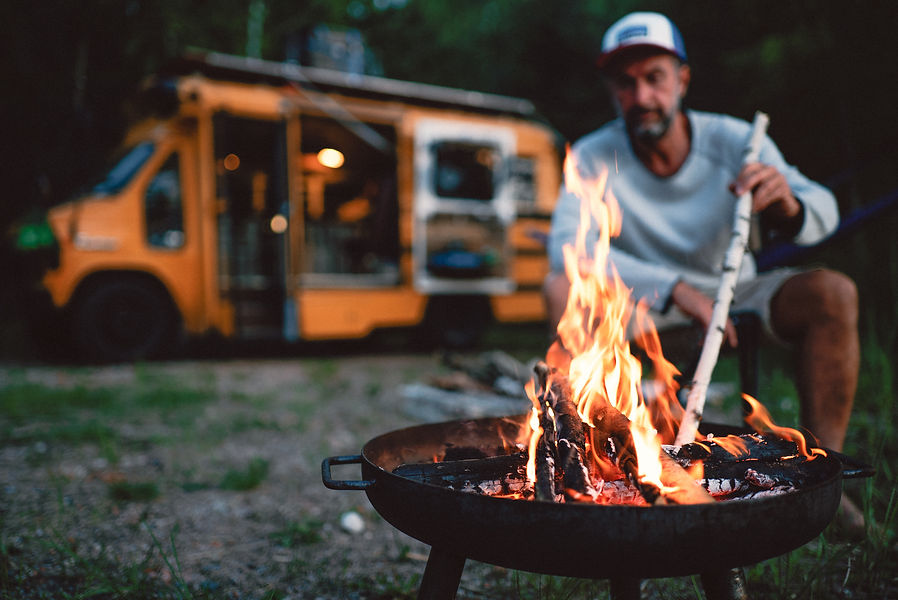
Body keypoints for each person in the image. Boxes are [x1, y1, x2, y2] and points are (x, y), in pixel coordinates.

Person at [544, 11, 864, 536]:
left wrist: (786, 206)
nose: (642, 96)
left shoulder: (736, 140)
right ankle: (602, 463)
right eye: (627, 83)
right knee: (558, 287)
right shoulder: (593, 155)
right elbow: (565, 249)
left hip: (738, 288)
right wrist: (672, 288)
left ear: (682, 80)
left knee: (833, 292)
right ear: (611, 91)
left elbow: (822, 208)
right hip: (646, 301)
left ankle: (822, 475)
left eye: (655, 78)